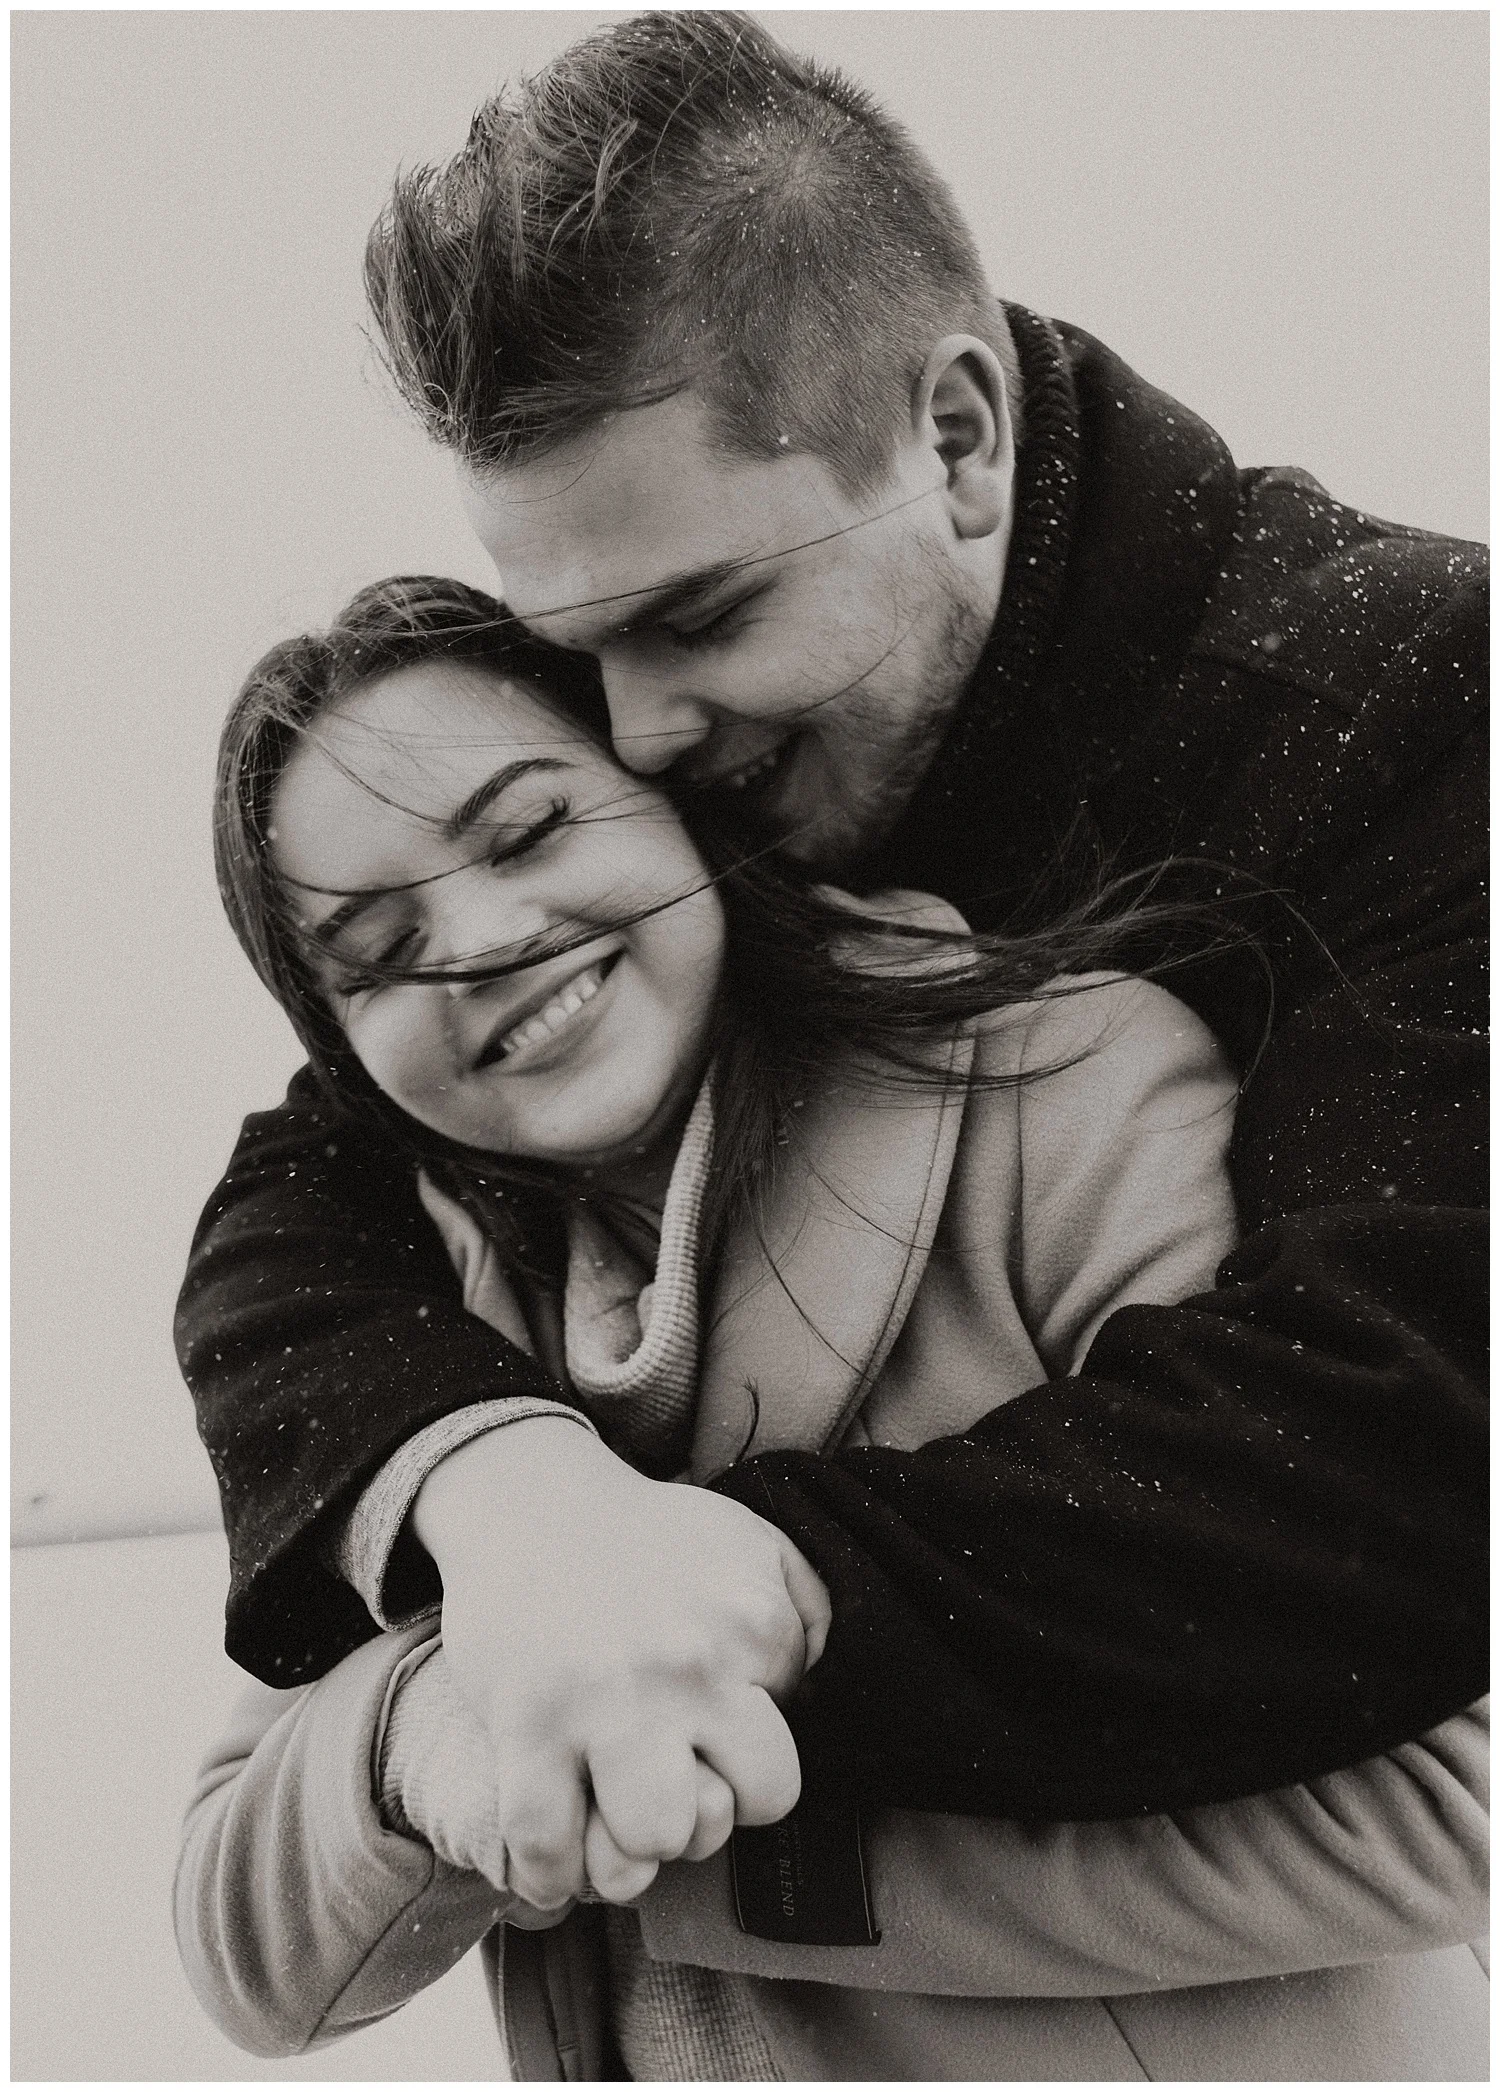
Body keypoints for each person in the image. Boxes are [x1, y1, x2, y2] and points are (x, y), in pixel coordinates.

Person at [176, 8, 1486, 1907]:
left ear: (957, 439)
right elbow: (313, 1180)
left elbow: (1404, 1459)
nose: (637, 735)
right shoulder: (732, 741)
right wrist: (503, 1491)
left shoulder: (1428, 709)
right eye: (584, 653)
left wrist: (683, 1618)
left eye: (700, 618)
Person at [176, 575, 1486, 2080]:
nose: (477, 944)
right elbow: (245, 1949)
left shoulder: (1061, 1088)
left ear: (672, 802)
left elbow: (1431, 1808)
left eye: (530, 830)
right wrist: (423, 1737)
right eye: (377, 952)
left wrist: (662, 1830)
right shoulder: (427, 1317)